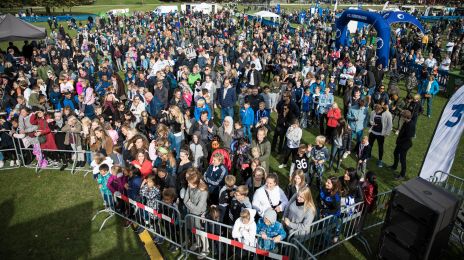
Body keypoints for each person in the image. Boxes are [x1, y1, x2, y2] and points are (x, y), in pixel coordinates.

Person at [389, 111, 415, 180]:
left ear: (406, 117)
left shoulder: (411, 125)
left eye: (403, 116)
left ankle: (402, 175)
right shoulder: (405, 122)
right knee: (395, 153)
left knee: (402, 159)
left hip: (405, 145)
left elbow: (408, 136)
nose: (402, 118)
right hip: (400, 142)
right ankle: (394, 166)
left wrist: (400, 140)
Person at [368, 104, 392, 168]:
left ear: (380, 109)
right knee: (370, 145)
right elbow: (370, 120)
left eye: (376, 111)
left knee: (380, 147)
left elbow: (390, 125)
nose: (375, 112)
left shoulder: (387, 114)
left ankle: (380, 160)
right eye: (374, 110)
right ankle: (368, 155)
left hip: (380, 134)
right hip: (373, 132)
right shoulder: (373, 112)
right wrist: (373, 123)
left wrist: (386, 133)